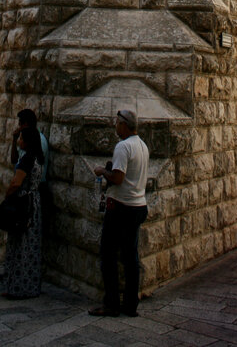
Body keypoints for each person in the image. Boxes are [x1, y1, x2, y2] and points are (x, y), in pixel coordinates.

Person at [88, 109, 149, 319]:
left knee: (109, 255)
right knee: (131, 258)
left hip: (122, 207)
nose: (115, 126)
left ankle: (112, 304)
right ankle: (130, 305)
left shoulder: (123, 147)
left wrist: (102, 171)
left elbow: (118, 177)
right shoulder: (142, 145)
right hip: (139, 205)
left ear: (124, 125)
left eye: (117, 123)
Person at [3, 125, 44, 299]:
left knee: (19, 244)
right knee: (31, 244)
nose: (18, 140)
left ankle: (18, 286)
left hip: (22, 203)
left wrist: (7, 196)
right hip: (34, 203)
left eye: (20, 138)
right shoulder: (38, 158)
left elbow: (16, 183)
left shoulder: (27, 159)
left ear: (27, 142)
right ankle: (30, 285)